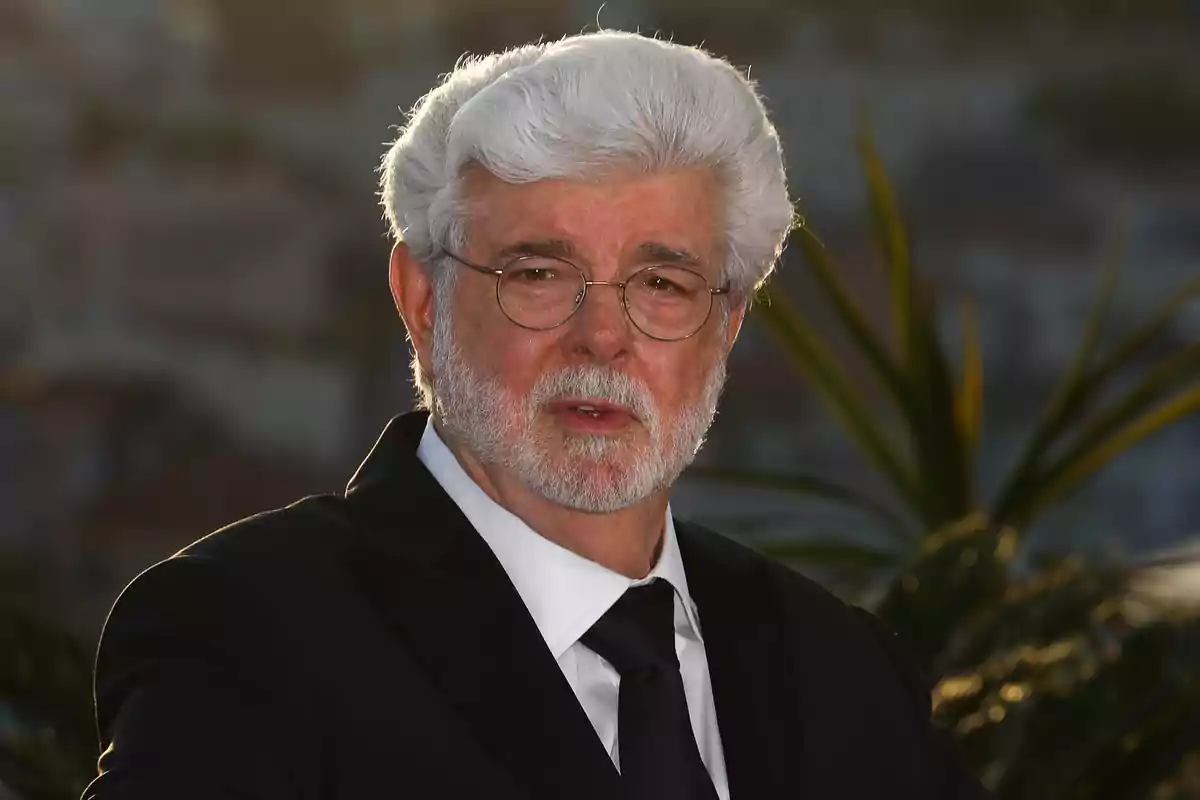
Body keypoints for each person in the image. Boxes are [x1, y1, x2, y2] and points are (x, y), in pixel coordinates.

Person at [83, 31, 990, 800]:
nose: (603, 337)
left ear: (726, 324)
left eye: (664, 283)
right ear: (422, 299)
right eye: (539, 273)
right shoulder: (250, 634)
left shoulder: (845, 673)